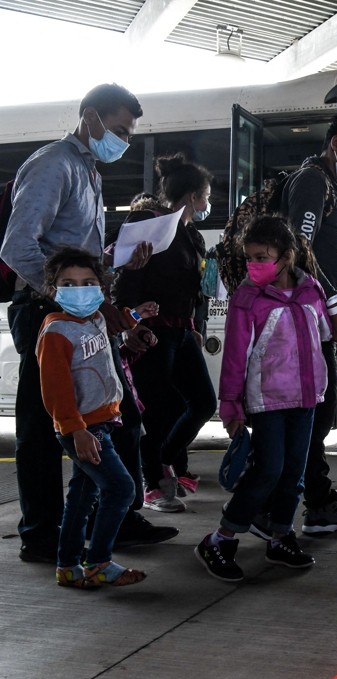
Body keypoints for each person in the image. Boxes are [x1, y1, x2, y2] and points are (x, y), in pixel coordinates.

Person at [1, 83, 177, 563]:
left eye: (128, 134)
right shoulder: (54, 165)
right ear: (90, 118)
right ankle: (41, 534)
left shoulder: (87, 172)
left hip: (77, 311)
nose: (123, 141)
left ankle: (111, 517)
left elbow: (77, 256)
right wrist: (67, 298)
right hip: (46, 313)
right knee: (43, 427)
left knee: (112, 414)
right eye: (118, 129)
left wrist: (120, 265)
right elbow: (17, 247)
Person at [195, 216, 332, 582]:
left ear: (286, 257)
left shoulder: (310, 290)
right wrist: (231, 406)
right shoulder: (246, 299)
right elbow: (236, 357)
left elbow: (325, 333)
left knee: (293, 474)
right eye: (249, 258)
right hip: (267, 399)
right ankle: (220, 539)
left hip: (305, 398)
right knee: (267, 471)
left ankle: (280, 536)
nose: (253, 265)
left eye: (261, 257)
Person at [264, 109, 337, 537]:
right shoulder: (313, 181)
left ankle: (314, 502)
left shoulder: (328, 185)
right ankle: (291, 504)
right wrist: (335, 306)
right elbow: (300, 250)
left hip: (315, 321)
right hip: (306, 321)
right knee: (312, 414)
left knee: (316, 413)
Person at [108, 153, 217, 512]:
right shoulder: (148, 222)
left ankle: (165, 457)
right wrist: (130, 324)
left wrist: (197, 325)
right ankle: (153, 482)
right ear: (191, 197)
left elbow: (198, 286)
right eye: (206, 196)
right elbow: (129, 276)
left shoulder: (191, 236)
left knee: (203, 402)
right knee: (155, 410)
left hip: (183, 331)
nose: (207, 203)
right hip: (152, 330)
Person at [39, 248, 149, 588]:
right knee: (120, 488)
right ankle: (98, 560)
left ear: (101, 288)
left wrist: (134, 317)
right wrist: (76, 431)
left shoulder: (96, 319)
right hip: (84, 428)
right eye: (68, 284)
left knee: (83, 495)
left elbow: (108, 336)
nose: (79, 289)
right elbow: (55, 390)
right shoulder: (56, 332)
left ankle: (68, 565)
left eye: (88, 282)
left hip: (100, 422)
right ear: (53, 289)